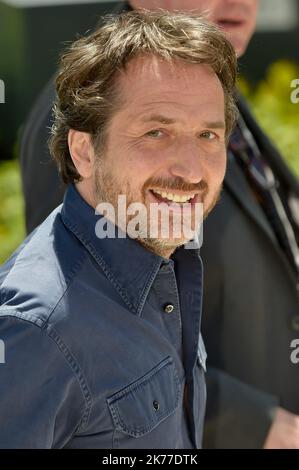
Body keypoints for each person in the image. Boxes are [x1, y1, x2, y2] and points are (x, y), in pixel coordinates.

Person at [19, 0, 299, 449]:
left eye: (209, 135)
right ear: (83, 151)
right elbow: (83, 313)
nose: (240, 3)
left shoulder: (204, 83)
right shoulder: (88, 106)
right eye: (156, 132)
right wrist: (257, 424)